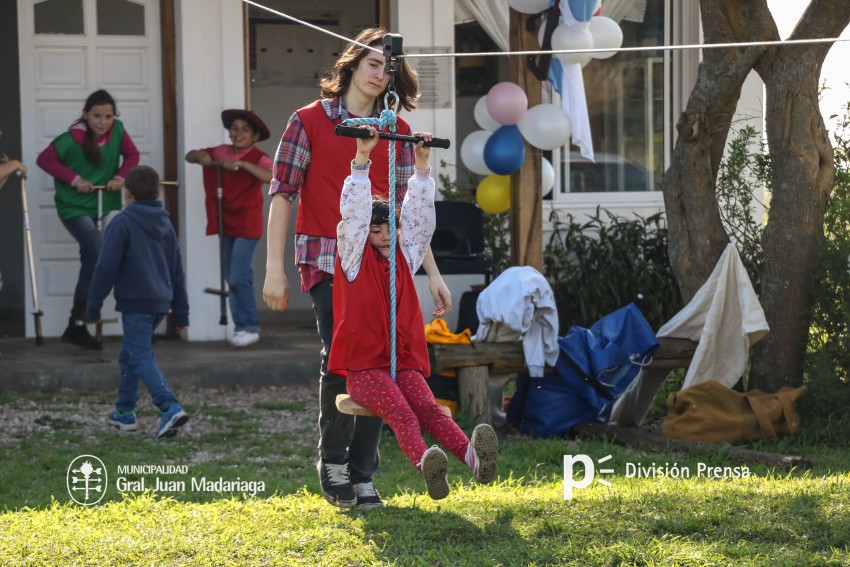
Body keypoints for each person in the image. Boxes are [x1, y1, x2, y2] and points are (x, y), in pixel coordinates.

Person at [263, 26, 452, 510]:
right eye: (371, 62)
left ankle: (364, 473)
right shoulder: (308, 120)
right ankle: (334, 463)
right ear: (351, 64)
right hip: (326, 256)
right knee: (344, 357)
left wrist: (431, 271)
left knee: (385, 364)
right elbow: (283, 194)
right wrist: (273, 269)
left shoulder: (400, 131)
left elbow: (411, 214)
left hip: (385, 264)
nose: (379, 72)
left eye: (387, 66)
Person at [330, 126, 498, 500]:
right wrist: (361, 159)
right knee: (404, 414)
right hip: (365, 370)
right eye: (375, 231)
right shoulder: (354, 260)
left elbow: (420, 221)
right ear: (364, 234)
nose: (385, 236)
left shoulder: (405, 258)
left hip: (400, 362)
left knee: (431, 409)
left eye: (389, 228)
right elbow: (353, 216)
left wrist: (422, 166)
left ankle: (474, 460)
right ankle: (428, 465)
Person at [85, 165, 190, 438]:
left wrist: (93, 305)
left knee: (140, 355)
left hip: (135, 303)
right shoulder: (165, 224)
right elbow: (177, 270)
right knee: (130, 354)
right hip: (160, 303)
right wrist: (181, 313)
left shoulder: (121, 222)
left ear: (127, 193)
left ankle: (168, 406)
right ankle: (124, 412)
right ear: (157, 192)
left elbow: (105, 267)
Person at [37, 89, 140, 350]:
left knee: (94, 258)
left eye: (108, 116)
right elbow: (44, 159)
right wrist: (75, 179)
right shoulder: (72, 138)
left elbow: (132, 155)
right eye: (96, 116)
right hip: (73, 206)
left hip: (100, 203)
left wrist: (120, 177)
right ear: (86, 114)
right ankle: (79, 320)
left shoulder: (117, 130)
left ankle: (77, 326)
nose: (103, 122)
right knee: (97, 252)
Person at [185, 110, 273, 347]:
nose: (238, 133)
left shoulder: (257, 157)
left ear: (255, 136)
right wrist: (201, 156)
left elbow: (272, 176)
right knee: (235, 275)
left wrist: (244, 165)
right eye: (235, 128)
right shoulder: (220, 151)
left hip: (247, 222)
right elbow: (190, 155)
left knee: (236, 277)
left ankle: (248, 326)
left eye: (245, 130)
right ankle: (245, 325)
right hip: (226, 221)